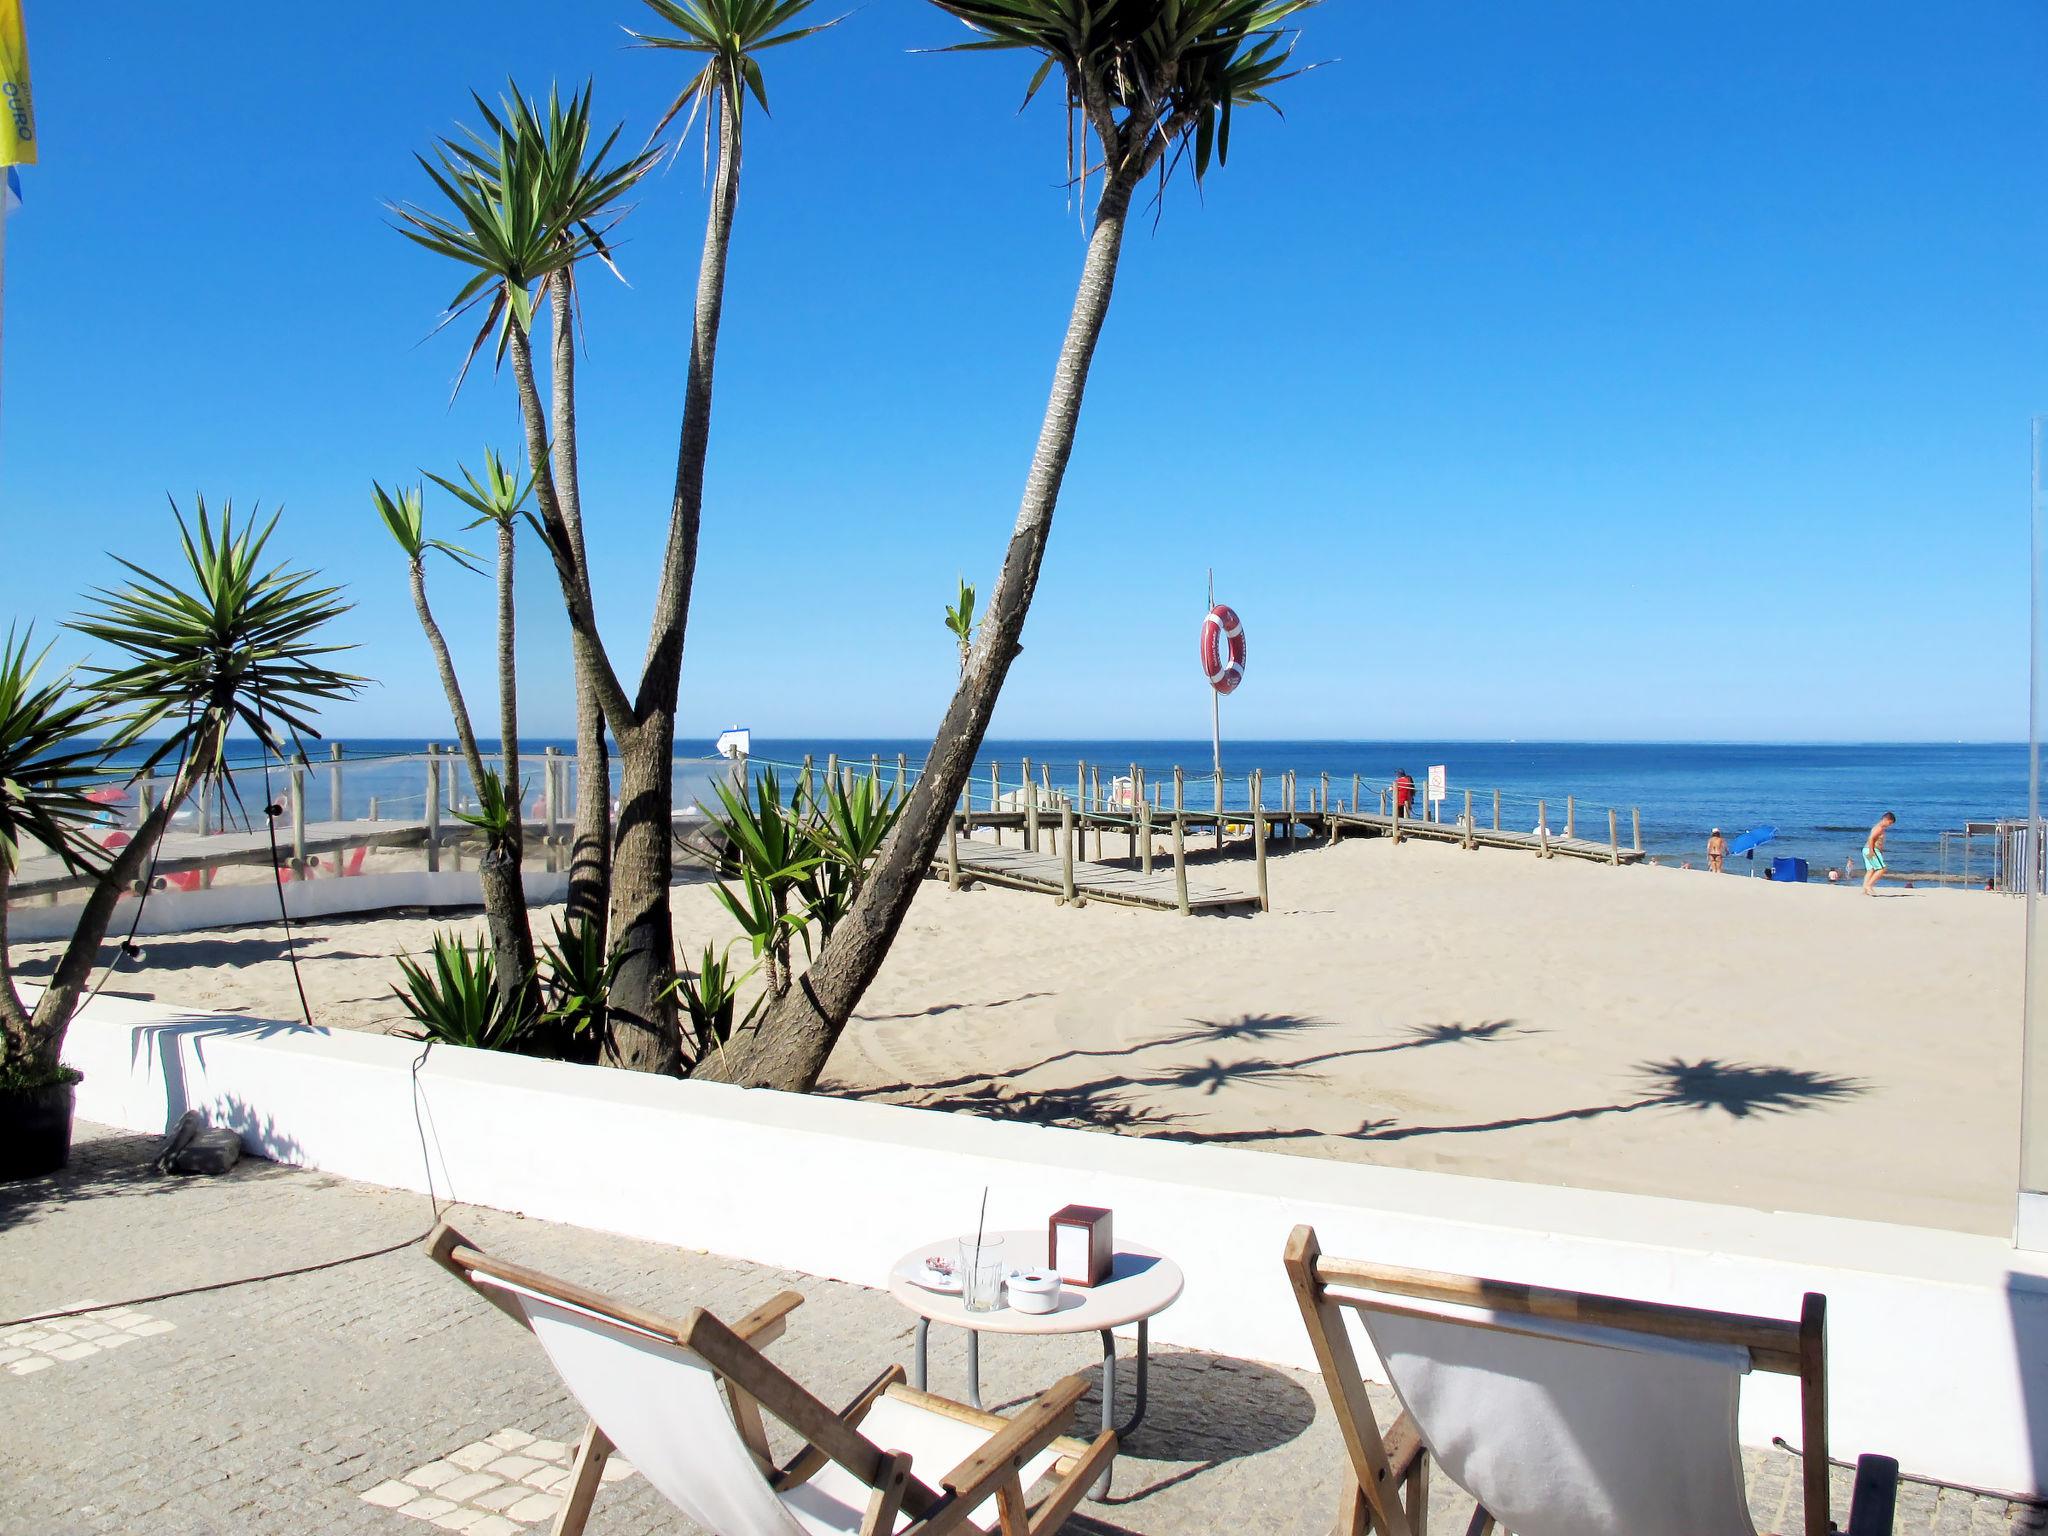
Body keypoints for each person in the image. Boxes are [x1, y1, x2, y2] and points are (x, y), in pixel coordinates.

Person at [1862, 811, 1896, 896]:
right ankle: (1869, 886)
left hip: (1866, 849)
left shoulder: (1878, 827)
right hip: (1871, 849)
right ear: (1885, 819)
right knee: (1882, 869)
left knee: (1870, 870)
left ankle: (1865, 890)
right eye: (1890, 823)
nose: (1889, 825)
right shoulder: (1879, 828)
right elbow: (1871, 838)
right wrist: (1871, 851)